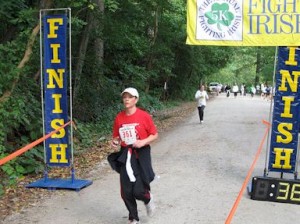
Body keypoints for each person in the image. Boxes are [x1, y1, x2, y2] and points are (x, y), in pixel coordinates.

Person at [108, 87, 158, 224]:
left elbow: (154, 134)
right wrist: (115, 142)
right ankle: (133, 218)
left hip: (141, 152)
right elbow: (117, 137)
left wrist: (143, 142)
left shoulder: (144, 116)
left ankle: (148, 198)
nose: (126, 99)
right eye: (124, 97)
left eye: (130, 97)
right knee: (126, 190)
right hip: (126, 153)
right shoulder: (119, 117)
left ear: (136, 99)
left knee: (139, 190)